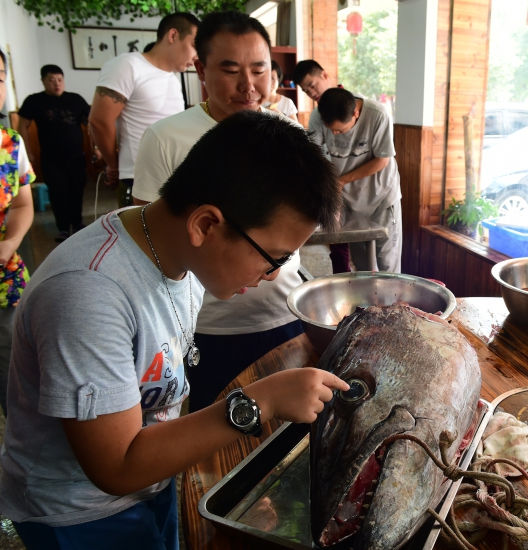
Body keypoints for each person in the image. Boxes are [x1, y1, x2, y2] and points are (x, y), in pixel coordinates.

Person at [0, 110, 348, 549]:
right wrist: (262, 400)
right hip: (79, 515)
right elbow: (117, 467)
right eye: (272, 257)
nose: (275, 274)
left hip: (149, 484)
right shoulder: (87, 295)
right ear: (205, 225)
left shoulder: (175, 253)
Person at [132, 11, 307, 412]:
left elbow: (300, 220)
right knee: (215, 432)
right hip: (205, 327)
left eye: (259, 70)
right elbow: (149, 239)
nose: (248, 85)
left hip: (282, 313)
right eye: (230, 71)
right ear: (200, 69)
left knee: (288, 429)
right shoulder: (166, 138)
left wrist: (274, 260)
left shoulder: (290, 135)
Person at [89, 12, 199, 208]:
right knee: (139, 228)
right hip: (138, 178)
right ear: (173, 35)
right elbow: (99, 121)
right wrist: (114, 165)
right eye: (194, 46)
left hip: (174, 177)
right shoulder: (128, 65)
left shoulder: (172, 80)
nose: (197, 56)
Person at [316, 87, 402, 273]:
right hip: (350, 200)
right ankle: (366, 294)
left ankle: (391, 292)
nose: (334, 134)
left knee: (388, 262)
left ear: (356, 113)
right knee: (361, 264)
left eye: (339, 130)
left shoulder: (377, 115)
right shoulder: (319, 115)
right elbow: (314, 155)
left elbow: (382, 160)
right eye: (331, 130)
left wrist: (341, 181)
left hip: (381, 196)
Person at [16, 64, 90, 242]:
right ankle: (63, 228)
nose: (57, 84)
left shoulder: (75, 99)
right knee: (57, 192)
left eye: (60, 79)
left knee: (77, 189)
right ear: (43, 81)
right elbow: (22, 125)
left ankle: (77, 223)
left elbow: (91, 124)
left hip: (76, 156)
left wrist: (96, 148)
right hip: (51, 158)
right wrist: (26, 152)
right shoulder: (35, 101)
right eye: (51, 80)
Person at [0, 49, 35, 418]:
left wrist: (10, 242)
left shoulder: (10, 144)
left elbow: (23, 205)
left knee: (12, 372)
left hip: (5, 280)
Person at [293, 58, 352, 272]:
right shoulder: (316, 116)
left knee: (368, 247)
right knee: (337, 241)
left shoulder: (352, 105)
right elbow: (315, 151)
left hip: (361, 187)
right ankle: (342, 282)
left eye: (312, 85)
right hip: (333, 183)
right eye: (305, 90)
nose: (311, 92)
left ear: (324, 75)